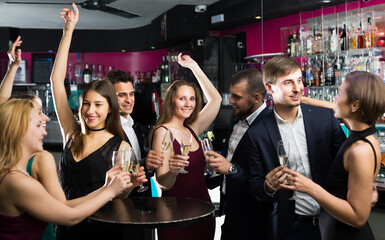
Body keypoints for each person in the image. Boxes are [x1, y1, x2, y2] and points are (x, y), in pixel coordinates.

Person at [50, 5, 146, 239]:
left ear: (109, 109)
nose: (90, 111)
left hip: (103, 231)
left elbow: (119, 197)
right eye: (86, 104)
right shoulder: (71, 133)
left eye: (98, 105)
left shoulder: (121, 147)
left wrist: (130, 185)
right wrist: (68, 31)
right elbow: (56, 81)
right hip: (66, 226)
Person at [0, 99, 133, 240]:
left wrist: (106, 187)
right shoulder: (19, 182)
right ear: (19, 131)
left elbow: (63, 206)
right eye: (38, 125)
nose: (44, 133)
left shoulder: (12, 175)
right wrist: (110, 191)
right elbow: (71, 217)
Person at [246, 56, 346, 240]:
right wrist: (268, 186)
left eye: (299, 80)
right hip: (294, 228)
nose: (297, 88)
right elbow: (254, 189)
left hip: (334, 221)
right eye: (288, 82)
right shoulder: (256, 134)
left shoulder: (325, 119)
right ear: (269, 88)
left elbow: (346, 164)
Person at [280, 71, 385, 239]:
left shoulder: (360, 151)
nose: (335, 98)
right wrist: (304, 100)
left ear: (355, 105)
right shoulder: (364, 132)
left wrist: (310, 187)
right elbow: (335, 107)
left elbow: (358, 218)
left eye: (339, 93)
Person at [150, 53, 222, 240]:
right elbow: (163, 183)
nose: (188, 104)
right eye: (182, 99)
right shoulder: (162, 132)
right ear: (171, 100)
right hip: (175, 214)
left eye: (192, 99)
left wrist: (194, 67)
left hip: (203, 210)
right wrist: (173, 170)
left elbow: (216, 100)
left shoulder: (192, 128)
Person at [204, 68, 271, 239]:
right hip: (231, 217)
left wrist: (232, 169)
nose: (231, 100)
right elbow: (226, 171)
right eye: (231, 94)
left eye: (237, 97)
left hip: (255, 222)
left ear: (256, 97)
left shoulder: (271, 127)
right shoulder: (237, 119)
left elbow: (268, 181)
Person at [105, 69, 164, 196]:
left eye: (131, 94)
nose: (129, 100)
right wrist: (144, 163)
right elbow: (112, 171)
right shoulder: (107, 130)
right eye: (122, 95)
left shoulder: (132, 125)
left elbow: (136, 165)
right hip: (123, 202)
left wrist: (148, 164)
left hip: (143, 199)